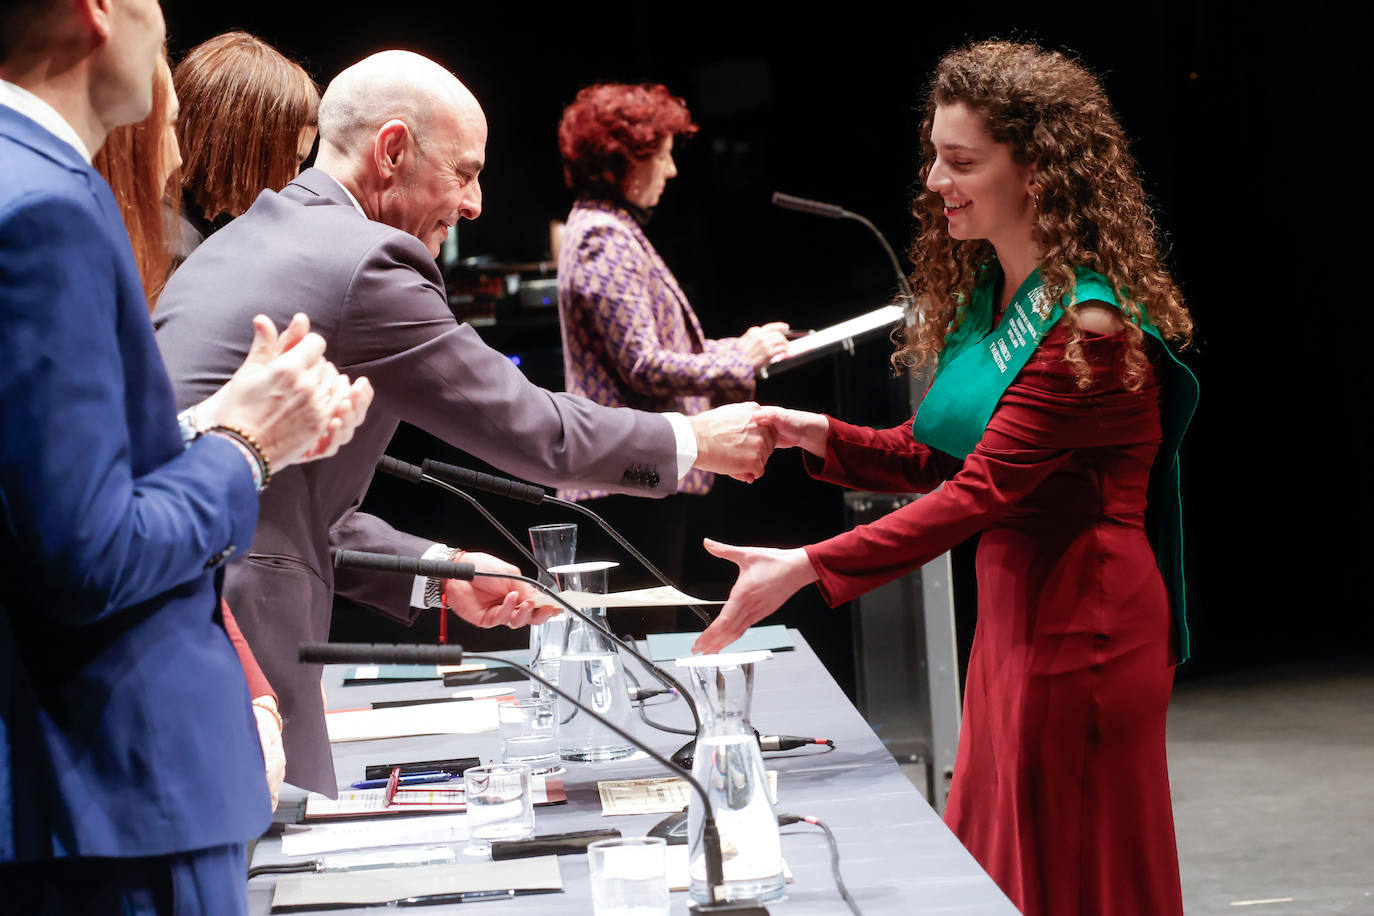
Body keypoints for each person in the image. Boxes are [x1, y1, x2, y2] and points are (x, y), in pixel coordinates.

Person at [153, 49, 775, 796]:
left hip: (180, 611)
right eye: (465, 171)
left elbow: (281, 500)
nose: (476, 203)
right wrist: (693, 439)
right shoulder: (366, 261)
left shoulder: (245, 241)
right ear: (391, 152)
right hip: (233, 632)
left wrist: (442, 574)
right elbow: (536, 432)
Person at [692, 41, 1199, 916]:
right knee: (1009, 859)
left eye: (960, 161)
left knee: (1071, 869)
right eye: (934, 156)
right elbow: (941, 457)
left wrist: (805, 567)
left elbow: (978, 492)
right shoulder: (1000, 292)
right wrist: (807, 432)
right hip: (1019, 613)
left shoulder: (1089, 324)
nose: (935, 181)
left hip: (1085, 624)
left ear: (1038, 171)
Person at [0, 0, 370, 909]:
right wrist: (250, 443)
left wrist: (211, 425)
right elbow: (89, 555)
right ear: (97, 12)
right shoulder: (43, 204)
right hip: (119, 792)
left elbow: (51, 487)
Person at [93, 49, 288, 810]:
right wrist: (244, 440)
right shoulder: (169, 256)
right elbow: (129, 511)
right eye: (170, 128)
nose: (179, 154)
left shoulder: (175, 253)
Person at [555, 83, 789, 632]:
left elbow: (658, 352)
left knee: (639, 633)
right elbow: (643, 363)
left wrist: (741, 349)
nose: (672, 170)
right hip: (626, 479)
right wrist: (739, 360)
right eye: (662, 155)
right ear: (624, 162)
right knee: (635, 636)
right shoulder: (603, 236)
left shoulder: (608, 228)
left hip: (631, 475)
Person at [172, 30, 320, 261]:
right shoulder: (175, 248)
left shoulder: (211, 223)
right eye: (293, 159)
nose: (293, 178)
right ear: (241, 142)